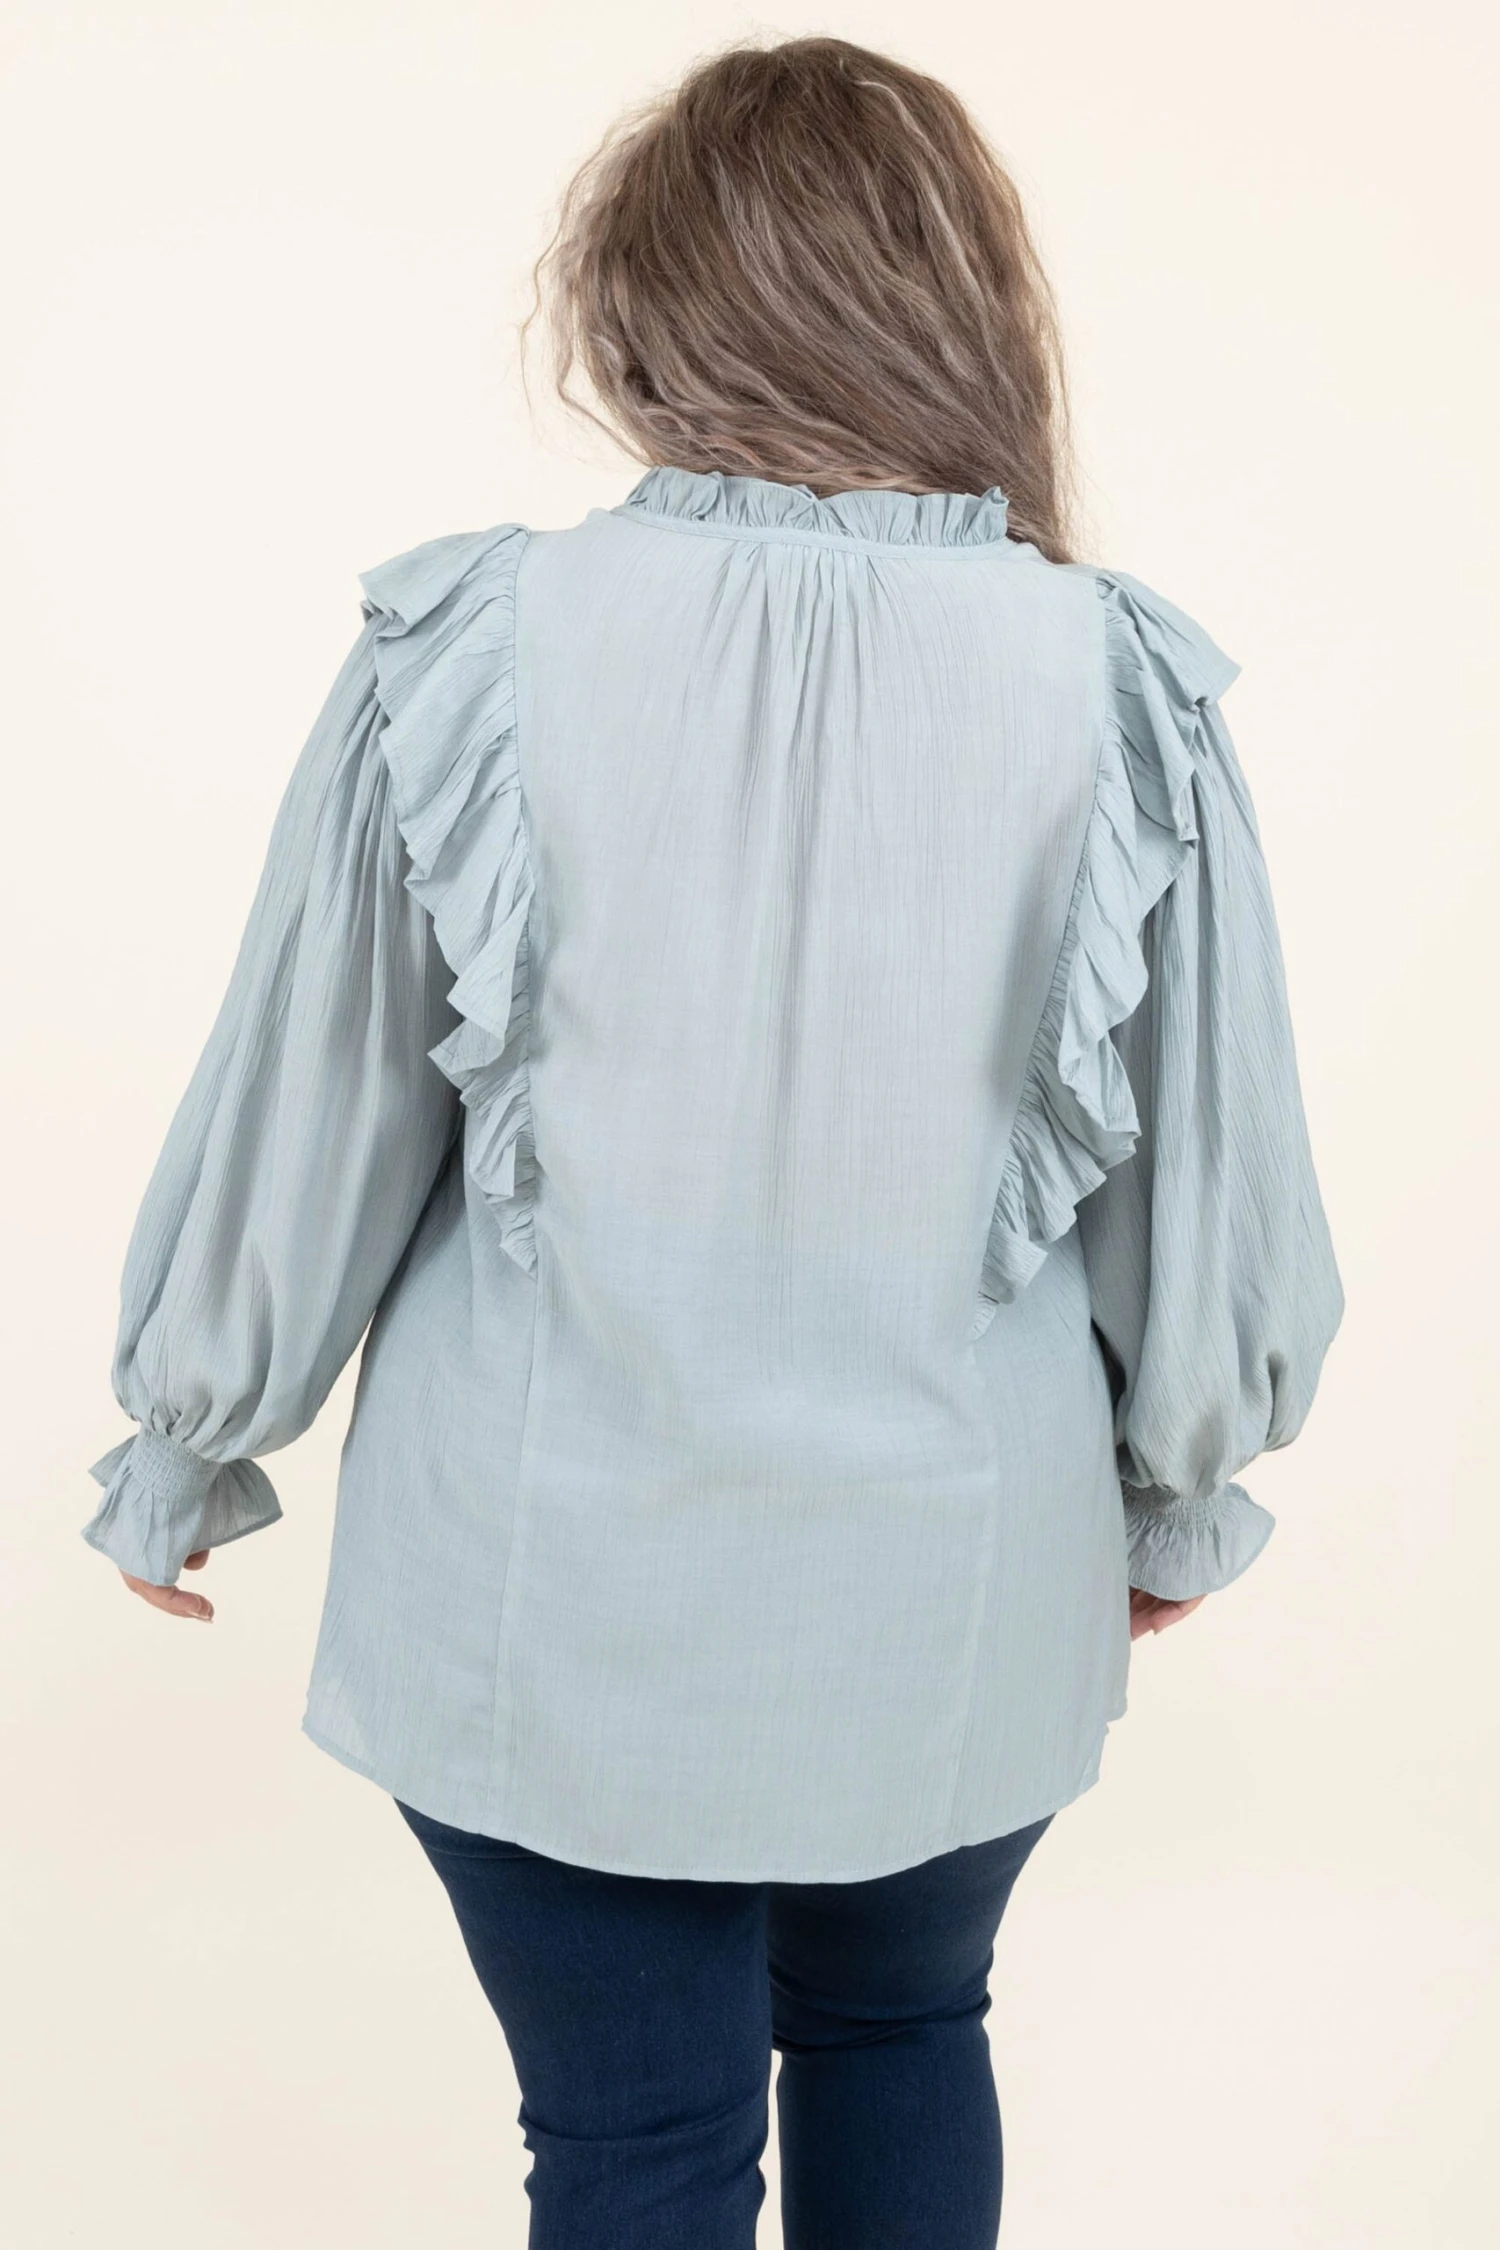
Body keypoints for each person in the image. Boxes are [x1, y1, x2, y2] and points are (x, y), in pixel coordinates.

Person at [82, 35, 1344, 2250]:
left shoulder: (468, 643)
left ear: (645, 304)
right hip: (958, 1579)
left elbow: (318, 1098)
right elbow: (1209, 1153)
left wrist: (194, 1427)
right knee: (902, 2025)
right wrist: (1179, 1475)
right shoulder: (1117, 676)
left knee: (634, 2140)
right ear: (962, 297)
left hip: (543, 1588)